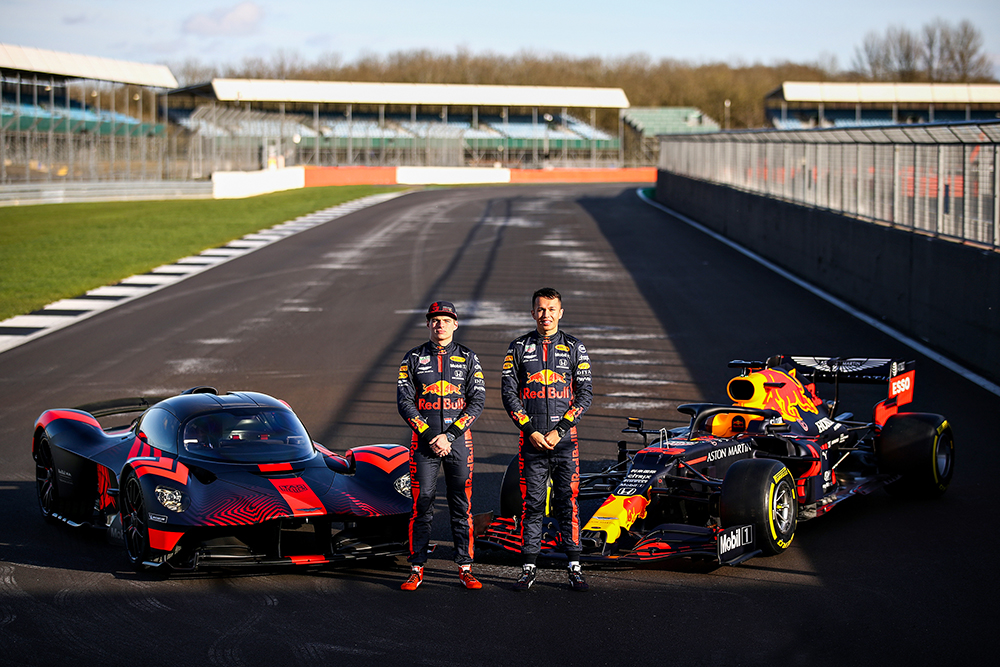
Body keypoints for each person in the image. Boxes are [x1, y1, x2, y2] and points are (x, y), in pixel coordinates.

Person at [501, 287, 593, 591]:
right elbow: (508, 395)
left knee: (568, 502)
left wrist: (559, 430)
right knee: (533, 503)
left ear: (561, 312)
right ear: (532, 313)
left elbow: (585, 395)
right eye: (540, 309)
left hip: (565, 442)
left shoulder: (575, 348)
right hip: (531, 440)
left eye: (552, 309)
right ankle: (528, 566)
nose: (546, 315)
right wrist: (532, 431)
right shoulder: (517, 348)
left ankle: (575, 566)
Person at [397, 301, 486, 590]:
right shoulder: (412, 358)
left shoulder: (469, 357)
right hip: (423, 443)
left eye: (446, 320)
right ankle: (416, 566)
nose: (440, 325)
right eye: (435, 320)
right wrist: (428, 434)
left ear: (455, 324)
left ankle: (465, 567)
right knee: (422, 505)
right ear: (428, 325)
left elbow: (477, 401)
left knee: (461, 505)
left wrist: (449, 436)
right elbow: (404, 402)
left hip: (459, 441)